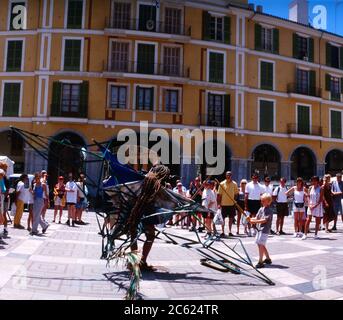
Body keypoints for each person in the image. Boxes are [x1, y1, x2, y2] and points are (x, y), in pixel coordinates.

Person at [247, 193, 273, 269]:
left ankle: (260, 261)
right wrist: (250, 219)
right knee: (260, 244)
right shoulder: (261, 209)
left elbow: (264, 220)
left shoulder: (269, 210)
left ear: (268, 202)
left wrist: (253, 222)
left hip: (264, 230)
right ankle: (267, 258)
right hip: (259, 229)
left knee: (261, 245)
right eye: (262, 201)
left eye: (264, 201)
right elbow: (257, 218)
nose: (262, 202)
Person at [217, 171, 239, 238]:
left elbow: (236, 194)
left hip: (231, 204)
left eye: (229, 175)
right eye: (227, 175)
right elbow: (219, 195)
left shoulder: (234, 184)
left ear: (231, 176)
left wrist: (235, 200)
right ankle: (223, 232)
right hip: (223, 204)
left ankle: (230, 231)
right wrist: (219, 203)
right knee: (222, 219)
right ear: (225, 176)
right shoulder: (222, 184)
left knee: (231, 218)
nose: (228, 176)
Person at [0, 163, 10, 236]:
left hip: (3, 199)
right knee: (2, 215)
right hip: (3, 198)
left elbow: (6, 190)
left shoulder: (4, 178)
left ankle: (5, 229)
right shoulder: (3, 177)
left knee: (3, 214)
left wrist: (4, 194)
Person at [0, 169, 6, 235]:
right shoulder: (1, 180)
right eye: (2, 175)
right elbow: (3, 190)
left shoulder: (1, 180)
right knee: (1, 218)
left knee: (1, 218)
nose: (2, 176)